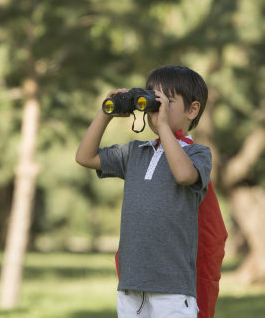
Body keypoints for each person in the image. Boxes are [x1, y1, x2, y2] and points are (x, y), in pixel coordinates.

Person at [76, 65, 219, 318]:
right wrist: (106, 112)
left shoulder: (197, 153)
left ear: (192, 110)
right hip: (132, 285)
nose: (156, 108)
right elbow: (85, 157)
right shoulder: (135, 152)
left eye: (167, 101)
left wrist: (164, 128)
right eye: (153, 98)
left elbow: (185, 175)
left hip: (173, 287)